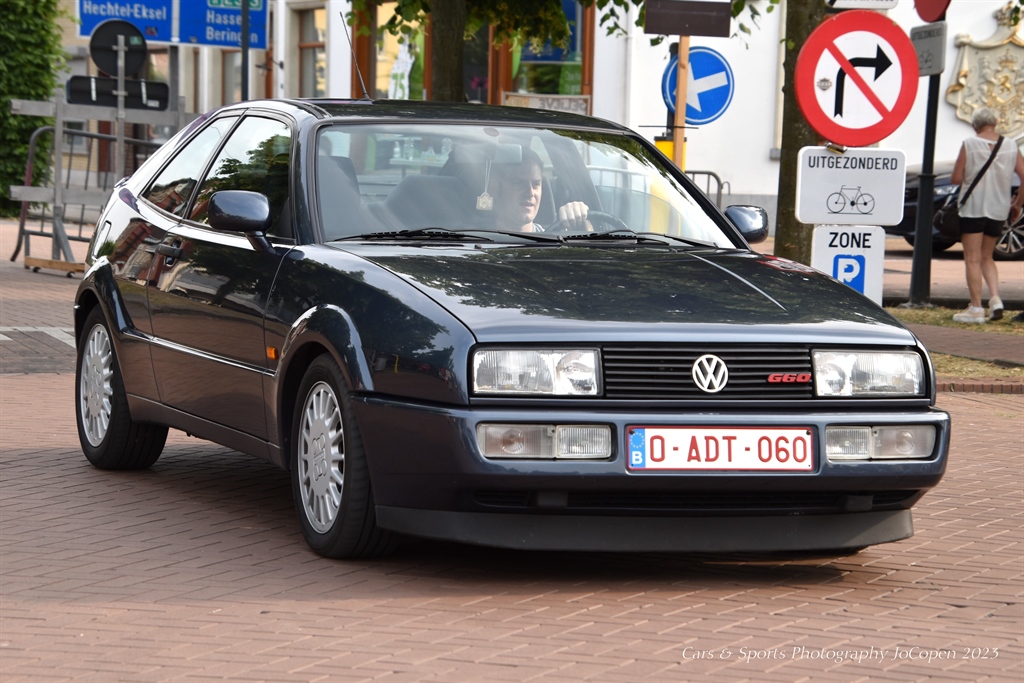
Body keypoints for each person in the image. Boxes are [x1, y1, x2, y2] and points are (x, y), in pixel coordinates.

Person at [949, 107, 1024, 323]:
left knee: (972, 258)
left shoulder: (969, 144)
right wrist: (1017, 204)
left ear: (975, 125)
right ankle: (995, 299)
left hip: (973, 208)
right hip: (998, 209)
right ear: (995, 123)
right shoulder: (1010, 145)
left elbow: (956, 178)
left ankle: (975, 308)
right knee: (987, 257)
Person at [487, 149, 590, 233]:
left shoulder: (556, 242)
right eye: (519, 183)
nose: (530, 193)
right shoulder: (478, 240)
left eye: (536, 184)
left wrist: (581, 224)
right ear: (494, 189)